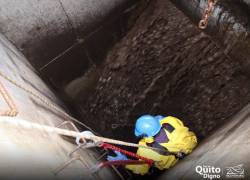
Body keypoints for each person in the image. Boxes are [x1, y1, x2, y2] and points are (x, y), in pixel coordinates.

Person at [107, 115, 197, 175]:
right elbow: (176, 123)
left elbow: (143, 169)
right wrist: (160, 120)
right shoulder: (170, 121)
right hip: (192, 145)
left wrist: (125, 162)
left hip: (175, 166)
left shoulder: (144, 150)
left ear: (144, 135)